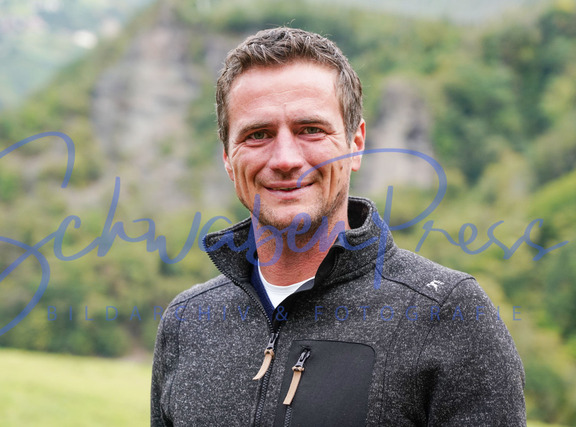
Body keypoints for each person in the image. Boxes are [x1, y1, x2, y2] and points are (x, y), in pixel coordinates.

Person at [151, 27, 526, 426]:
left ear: (356, 143)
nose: (285, 159)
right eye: (258, 135)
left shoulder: (449, 314)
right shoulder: (185, 323)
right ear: (228, 157)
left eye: (310, 130)